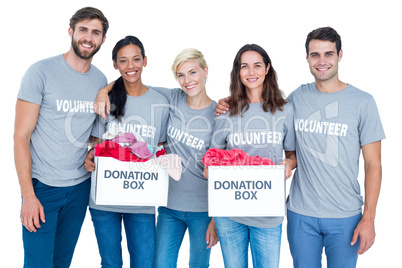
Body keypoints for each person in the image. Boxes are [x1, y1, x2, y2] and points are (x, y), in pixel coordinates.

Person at [216, 27, 385, 268]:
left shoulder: (363, 102)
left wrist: (369, 218)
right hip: (300, 213)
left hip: (345, 215)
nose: (322, 61)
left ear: (340, 55)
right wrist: (225, 103)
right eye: (315, 55)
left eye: (329, 54)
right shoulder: (296, 99)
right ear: (307, 58)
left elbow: (374, 164)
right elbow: (263, 107)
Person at [93, 48, 219, 268]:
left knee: (199, 265)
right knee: (160, 264)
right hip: (168, 206)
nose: (187, 80)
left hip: (203, 209)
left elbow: (222, 169)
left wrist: (216, 218)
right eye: (181, 75)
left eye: (193, 72)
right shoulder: (172, 97)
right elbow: (132, 80)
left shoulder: (219, 113)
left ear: (205, 71)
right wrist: (103, 91)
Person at [13, 7, 108, 268]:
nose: (88, 37)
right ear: (71, 32)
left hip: (79, 189)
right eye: (83, 30)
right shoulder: (40, 72)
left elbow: (94, 139)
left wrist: (93, 154)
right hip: (43, 187)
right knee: (38, 264)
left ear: (102, 40)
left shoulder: (100, 81)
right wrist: (28, 196)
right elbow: (21, 136)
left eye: (96, 32)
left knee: (61, 263)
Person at [207, 44, 297, 268]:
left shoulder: (285, 110)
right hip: (229, 214)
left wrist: (289, 164)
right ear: (237, 71)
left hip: (268, 213)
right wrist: (210, 170)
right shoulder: (226, 110)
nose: (251, 72)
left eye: (257, 65)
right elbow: (213, 158)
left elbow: (292, 154)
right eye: (244, 66)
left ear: (267, 68)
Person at [84, 35, 169, 268]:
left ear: (145, 61)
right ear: (115, 65)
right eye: (123, 61)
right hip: (104, 200)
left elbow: (159, 147)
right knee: (110, 264)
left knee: (144, 263)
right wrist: (90, 156)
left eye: (136, 59)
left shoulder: (160, 103)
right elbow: (97, 143)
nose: (130, 66)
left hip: (141, 201)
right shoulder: (107, 99)